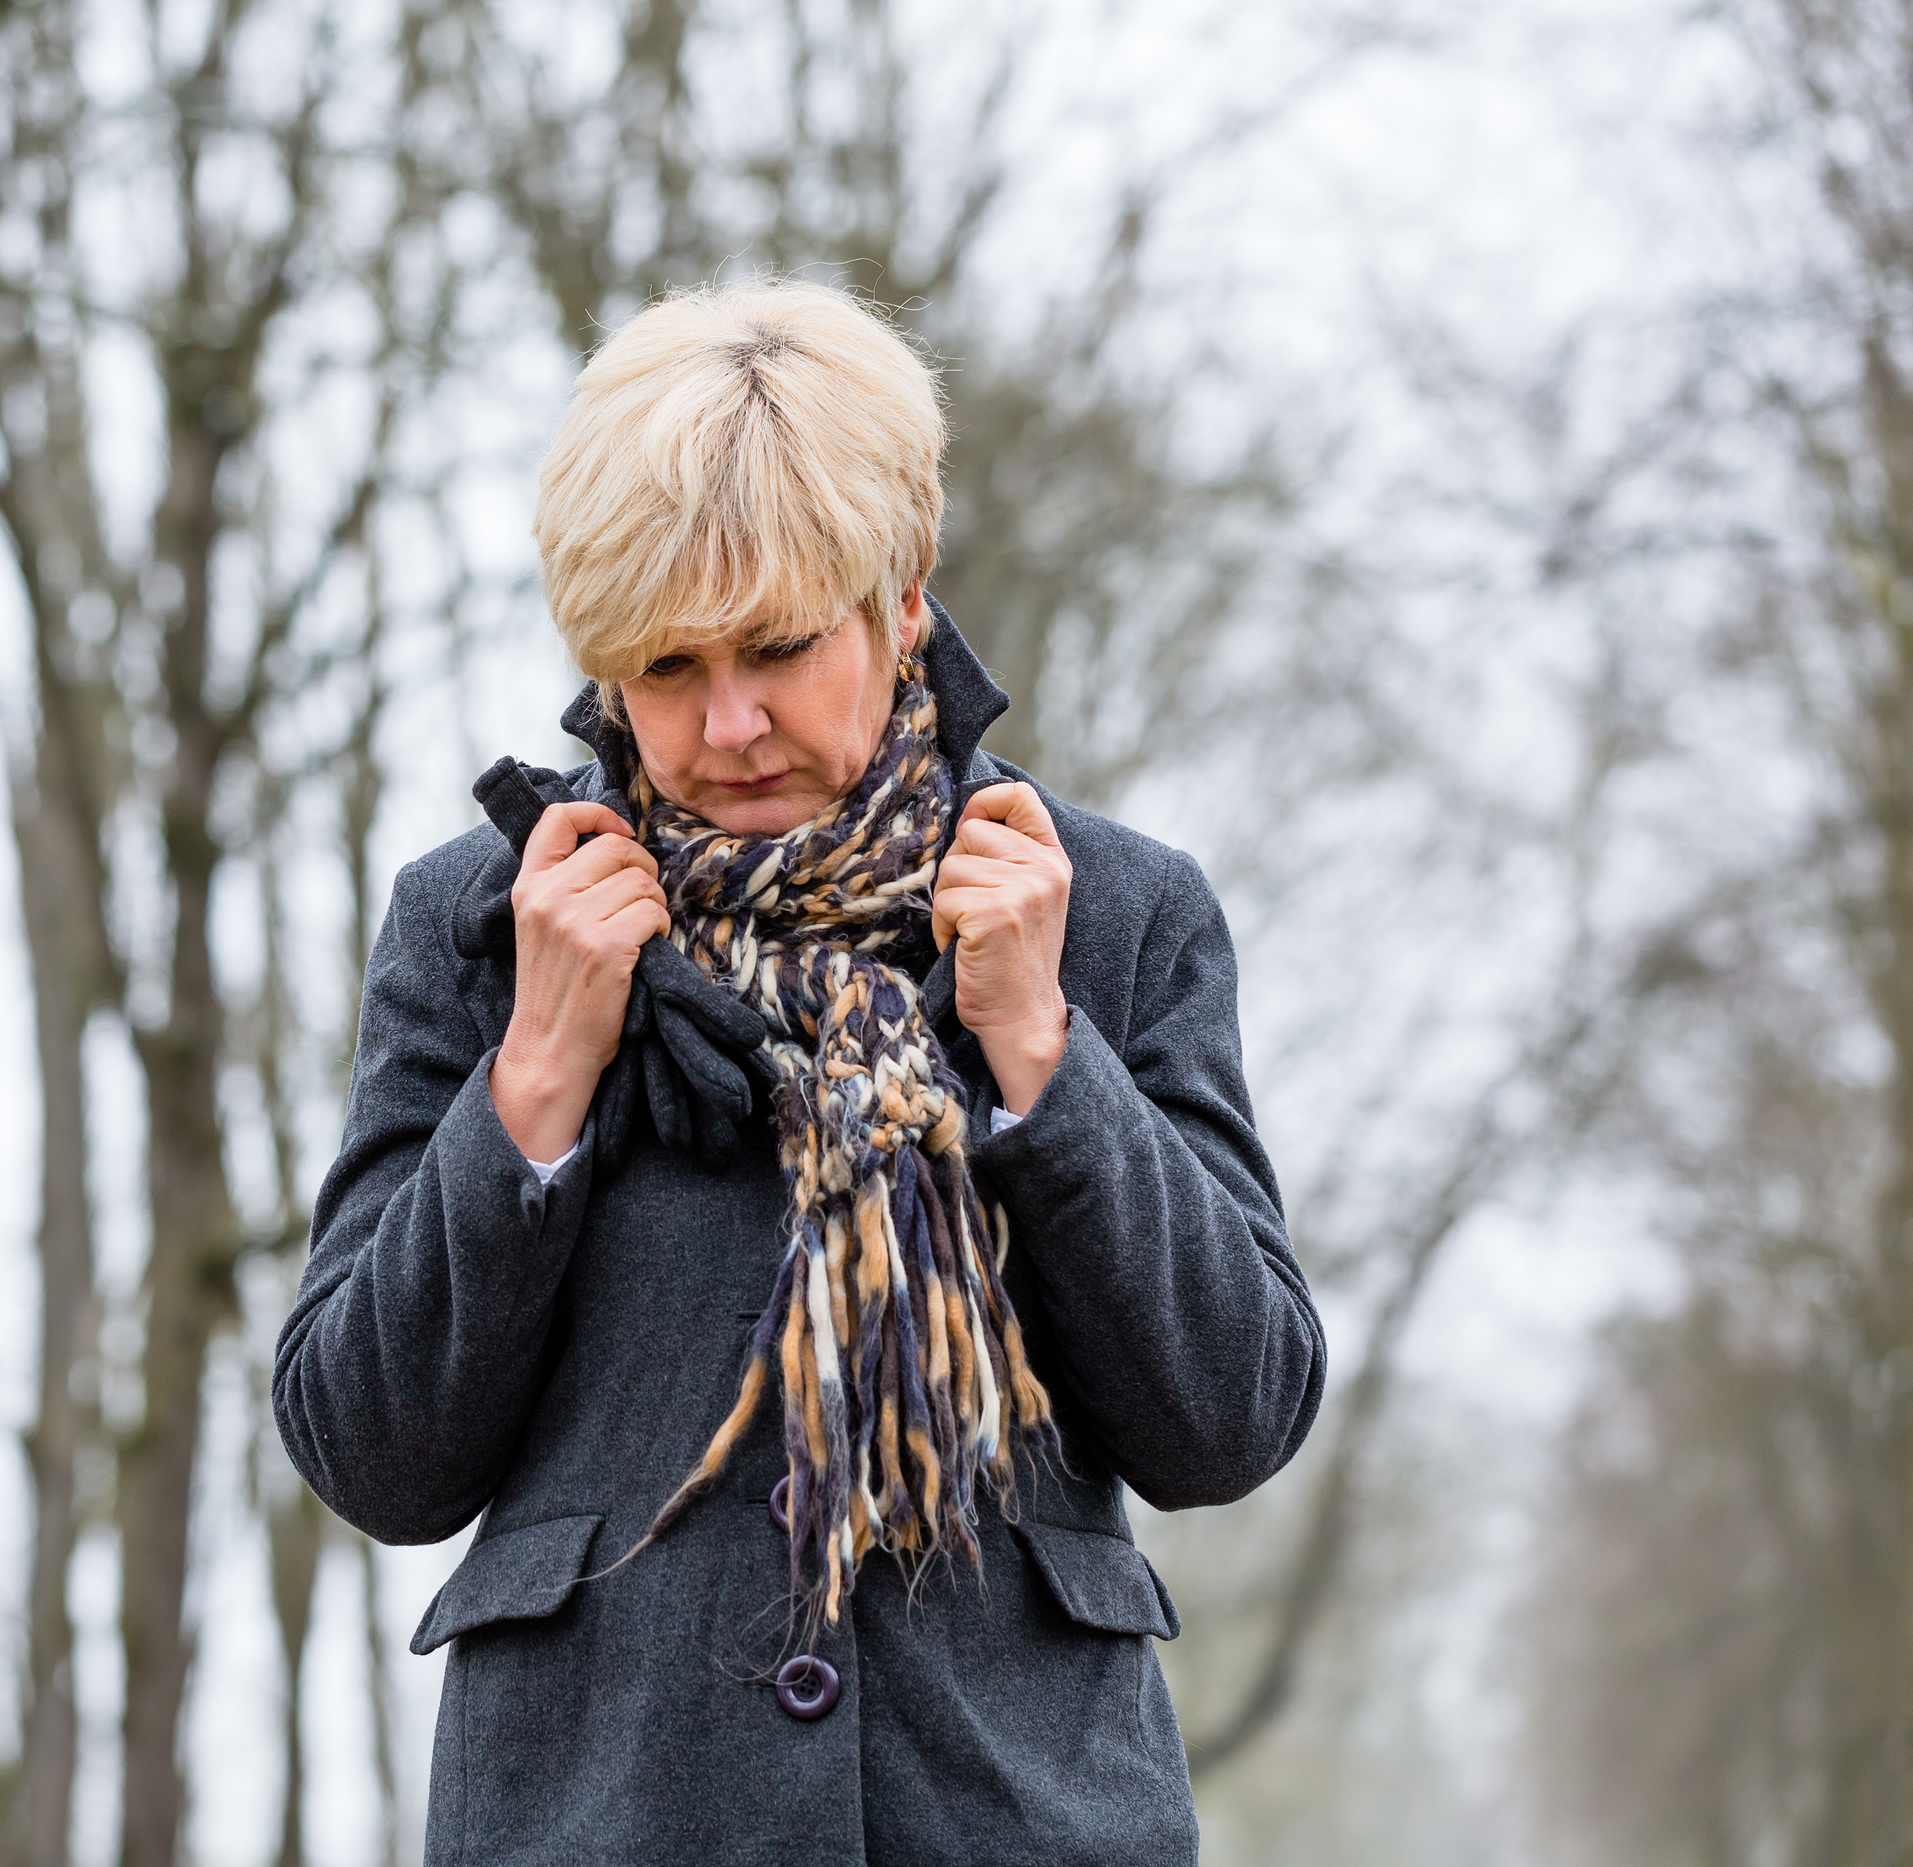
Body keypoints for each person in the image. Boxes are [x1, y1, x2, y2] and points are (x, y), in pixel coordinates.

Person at [272, 278, 1325, 1866]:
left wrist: (1042, 1050)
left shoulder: (1108, 914)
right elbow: (368, 1447)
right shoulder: (479, 927)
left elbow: (1229, 1417)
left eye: (775, 645)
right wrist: (538, 1068)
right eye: (666, 666)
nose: (728, 723)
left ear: (901, 598)